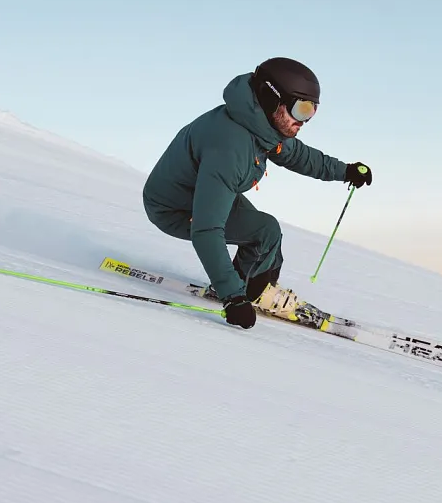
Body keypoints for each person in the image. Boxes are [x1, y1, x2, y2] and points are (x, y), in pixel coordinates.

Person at [142, 57, 372, 330]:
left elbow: (297, 155)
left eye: (312, 111)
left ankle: (256, 288)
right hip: (174, 207)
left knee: (267, 238)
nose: (305, 121)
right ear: (271, 98)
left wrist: (344, 171)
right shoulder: (230, 148)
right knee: (265, 231)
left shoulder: (259, 124)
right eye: (301, 109)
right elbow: (206, 230)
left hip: (196, 191)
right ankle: (248, 292)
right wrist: (233, 297)